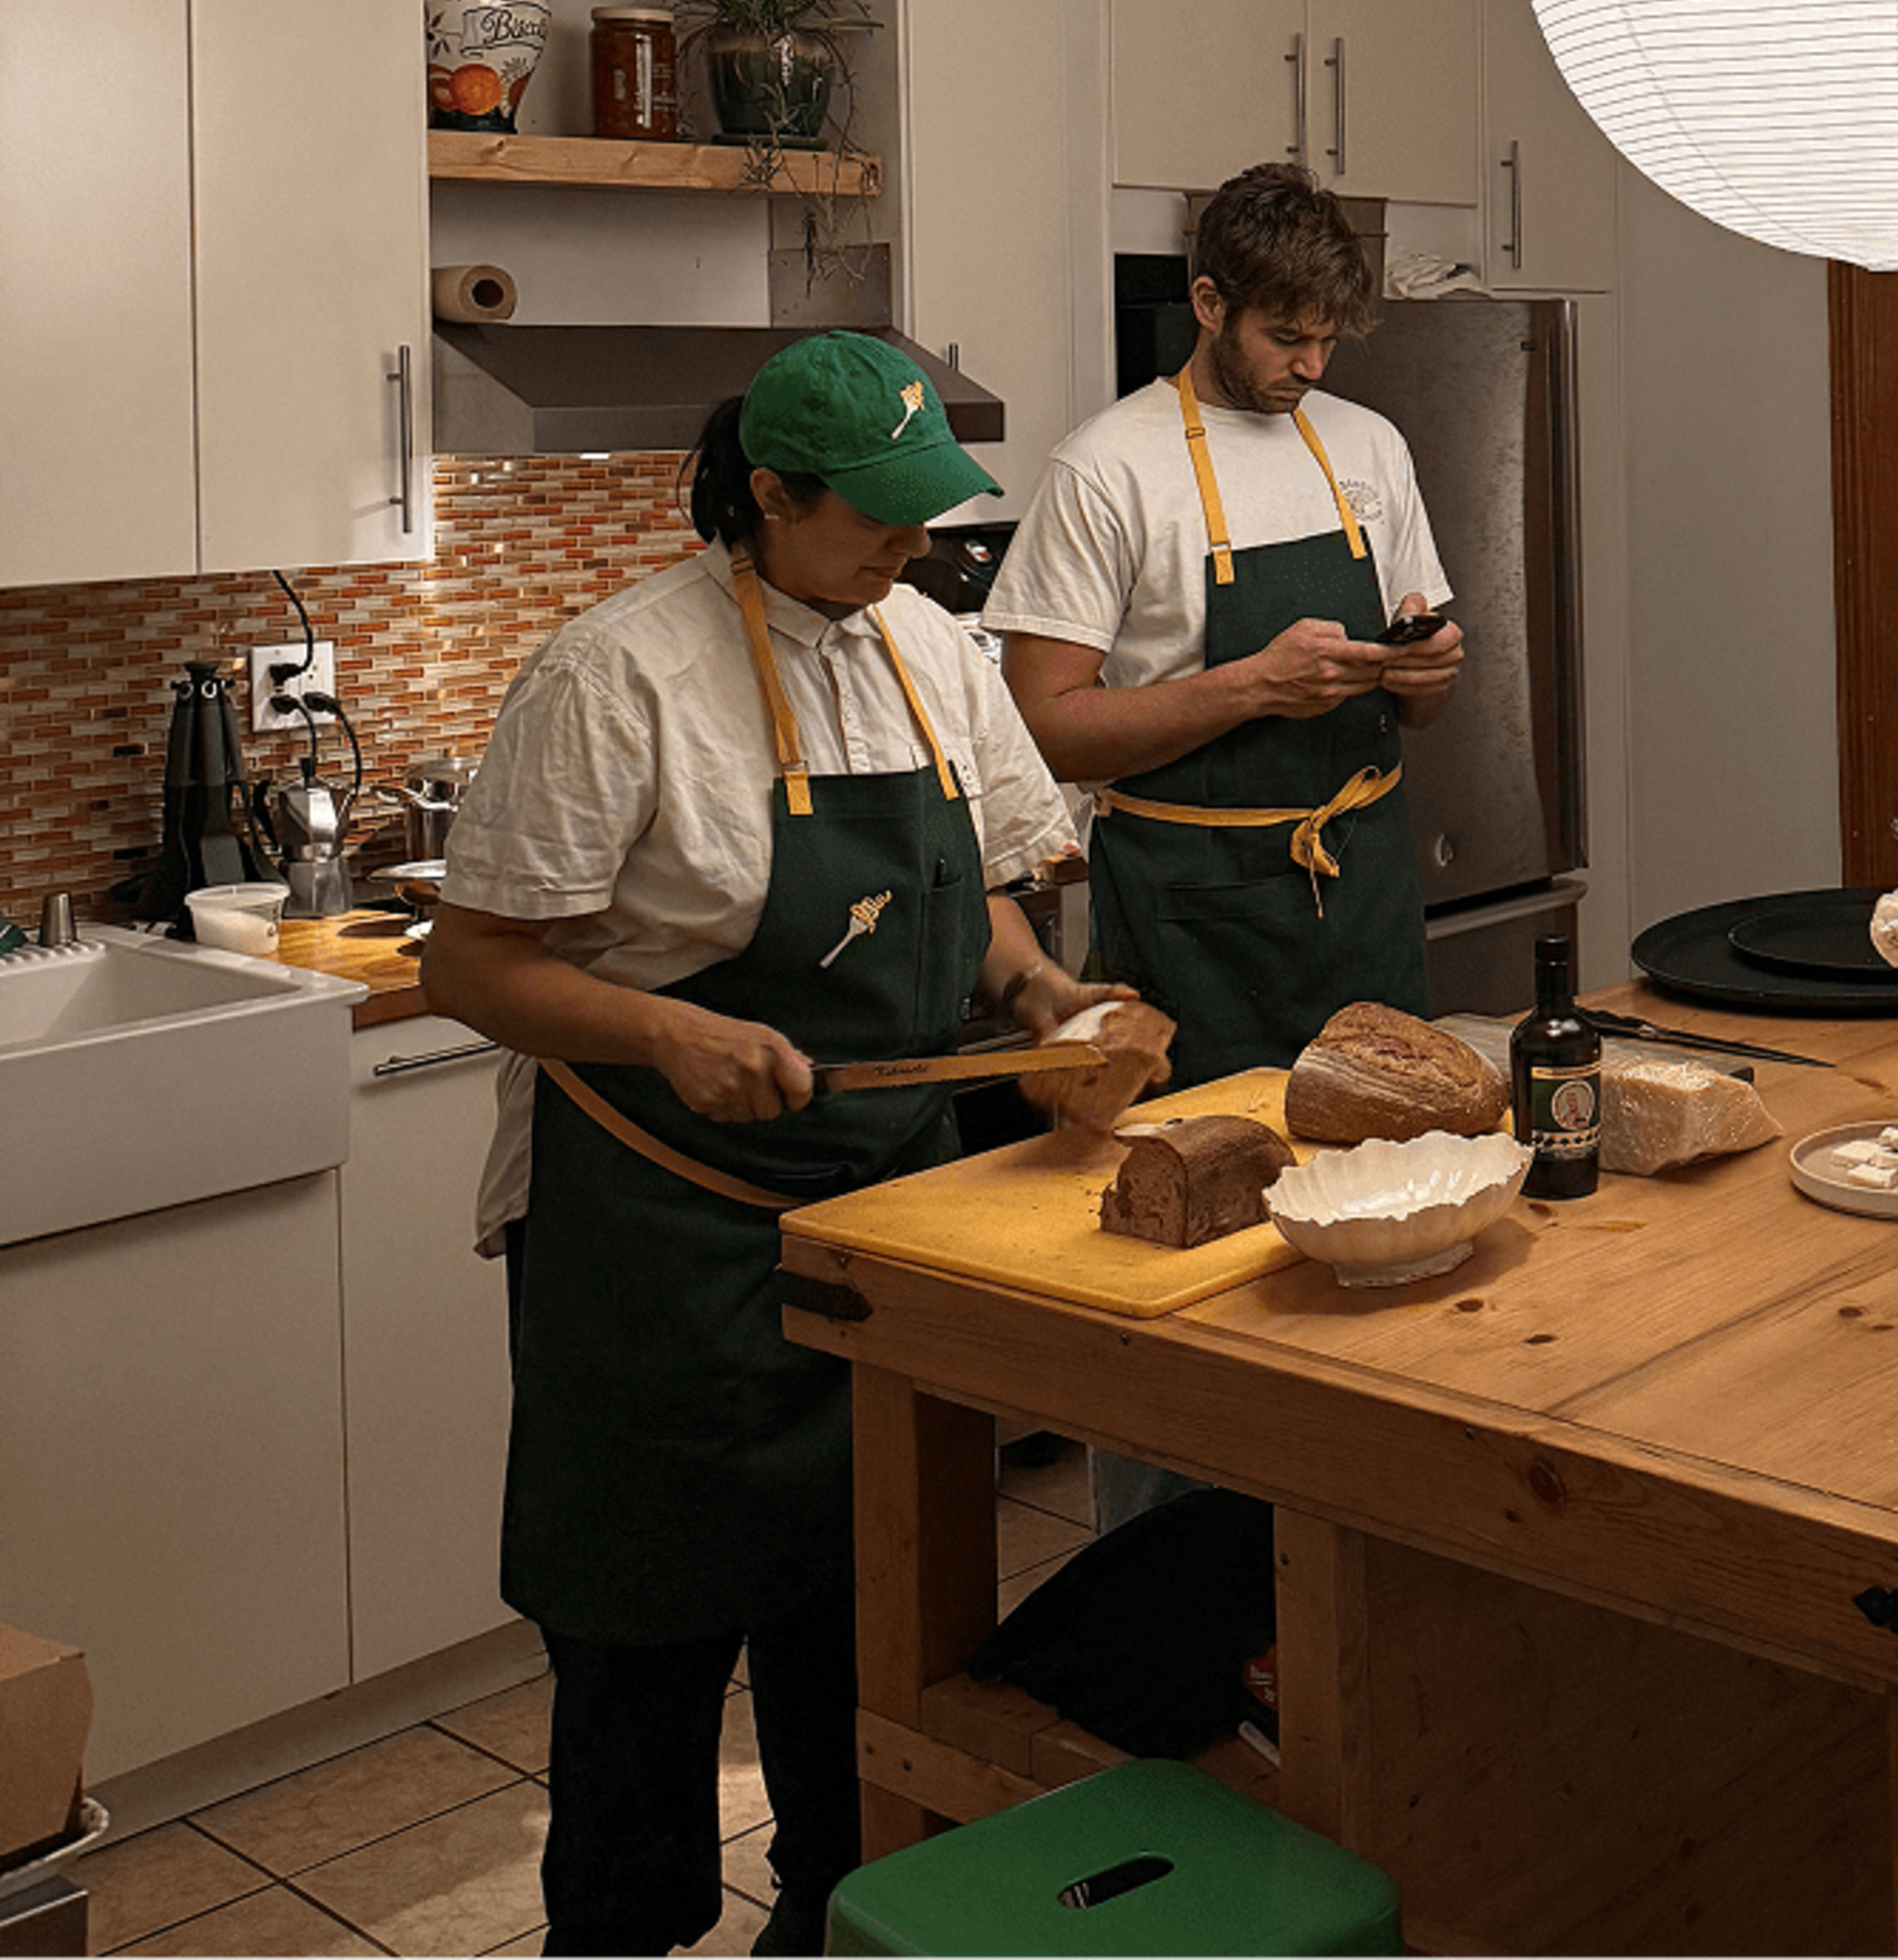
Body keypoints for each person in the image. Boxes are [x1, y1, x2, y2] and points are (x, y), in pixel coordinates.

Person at [423, 334, 1120, 1960]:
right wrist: (668, 1026)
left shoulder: (933, 649)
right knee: (643, 1639)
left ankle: (840, 1915)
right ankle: (617, 1933)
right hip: (659, 1240)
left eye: (924, 519)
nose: (910, 551)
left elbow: (988, 890)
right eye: (874, 521)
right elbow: (471, 964)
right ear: (767, 497)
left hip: (885, 1226)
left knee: (862, 1622)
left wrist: (1040, 990)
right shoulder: (616, 675)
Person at [987, 161, 1466, 1084]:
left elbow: (1422, 713)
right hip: (1192, 926)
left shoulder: (1369, 444)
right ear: (1209, 303)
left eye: (1328, 341)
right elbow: (1042, 729)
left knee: (1397, 1190)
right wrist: (1251, 687)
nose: (1312, 367)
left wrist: (1428, 676)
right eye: (1286, 337)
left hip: (1363, 904)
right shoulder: (1107, 469)